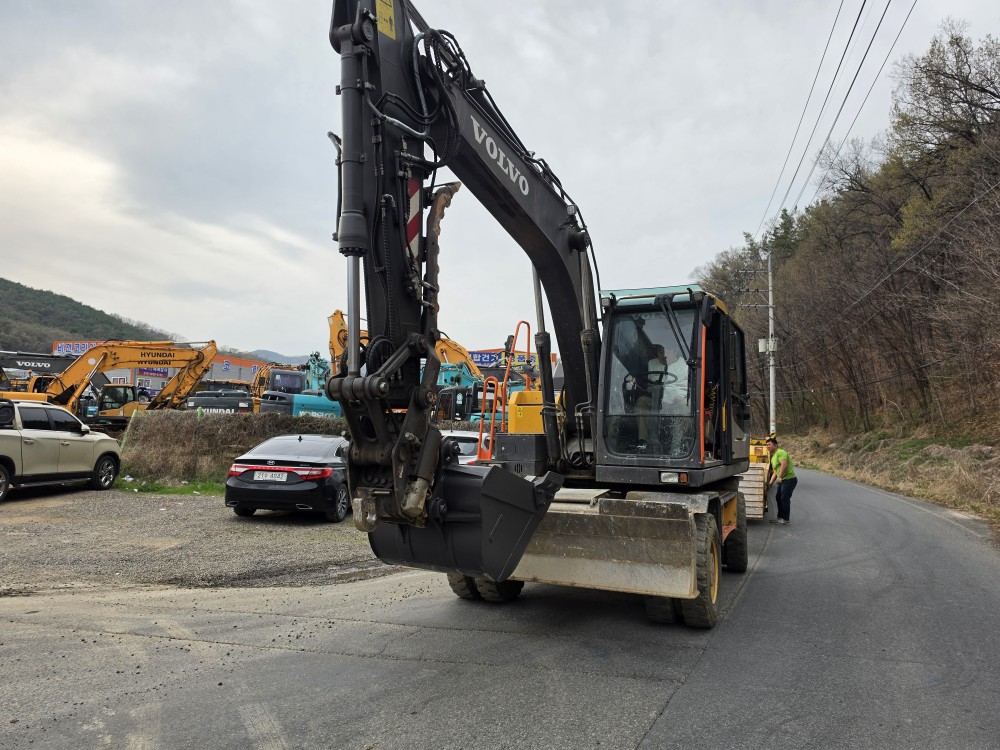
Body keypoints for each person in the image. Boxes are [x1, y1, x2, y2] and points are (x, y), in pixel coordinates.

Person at [636, 343, 689, 451]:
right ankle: (643, 441)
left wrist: (679, 397)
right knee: (642, 401)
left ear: (674, 351)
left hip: (676, 402)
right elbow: (650, 384)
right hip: (657, 400)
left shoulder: (685, 365)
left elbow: (689, 388)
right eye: (660, 352)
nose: (663, 355)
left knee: (685, 406)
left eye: (665, 352)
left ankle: (676, 446)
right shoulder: (652, 363)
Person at [765, 436, 797, 525]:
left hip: (789, 479)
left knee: (784, 498)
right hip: (782, 480)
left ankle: (785, 519)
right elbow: (775, 472)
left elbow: (784, 465)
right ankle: (780, 518)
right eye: (767, 445)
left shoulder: (781, 452)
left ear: (775, 445)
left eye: (769, 444)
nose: (768, 446)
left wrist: (779, 477)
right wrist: (770, 483)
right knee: (778, 498)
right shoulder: (772, 458)